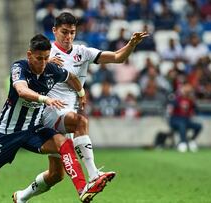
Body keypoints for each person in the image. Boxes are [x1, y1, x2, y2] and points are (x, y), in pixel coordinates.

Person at [0, 34, 109, 203]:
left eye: (46, 58)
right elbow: (22, 91)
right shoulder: (19, 67)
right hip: (8, 133)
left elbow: (71, 77)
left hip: (33, 129)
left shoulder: (51, 69)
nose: (42, 63)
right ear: (29, 55)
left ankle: (82, 189)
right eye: (38, 58)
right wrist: (45, 99)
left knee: (64, 143)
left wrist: (81, 93)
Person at [13, 12, 148, 203]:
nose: (68, 37)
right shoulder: (45, 53)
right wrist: (46, 64)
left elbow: (118, 57)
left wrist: (131, 44)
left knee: (55, 175)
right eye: (64, 32)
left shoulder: (82, 52)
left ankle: (21, 196)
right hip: (50, 111)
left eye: (72, 32)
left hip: (67, 113)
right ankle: (93, 175)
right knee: (80, 122)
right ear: (54, 31)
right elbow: (25, 73)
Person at [168, 83, 203, 153]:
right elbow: (170, 108)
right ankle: (183, 142)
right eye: (186, 90)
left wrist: (193, 101)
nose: (188, 92)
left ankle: (191, 140)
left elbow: (196, 110)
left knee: (199, 126)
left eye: (189, 91)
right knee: (182, 125)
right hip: (175, 119)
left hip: (186, 120)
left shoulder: (191, 100)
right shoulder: (177, 98)